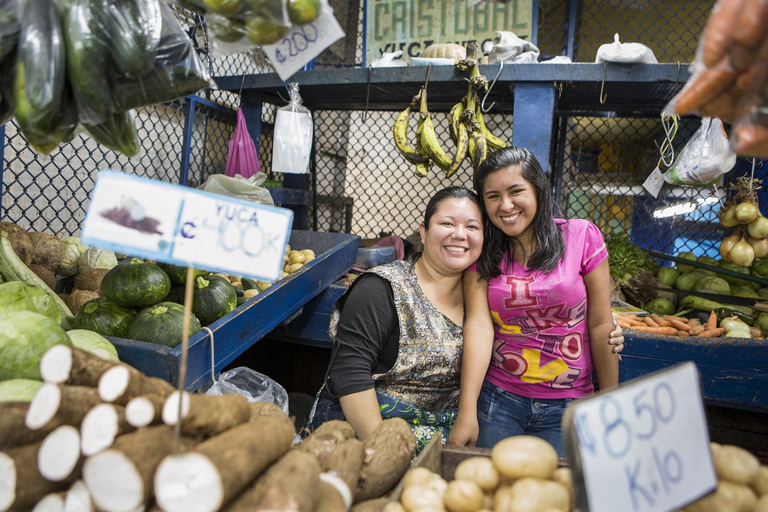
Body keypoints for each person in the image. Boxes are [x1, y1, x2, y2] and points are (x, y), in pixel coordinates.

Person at [448, 147, 621, 457]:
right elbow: (478, 327)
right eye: (493, 196)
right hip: (498, 402)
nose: (506, 205)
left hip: (569, 407)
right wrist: (467, 411)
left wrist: (610, 406)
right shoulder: (485, 250)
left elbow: (600, 324)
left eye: (516, 192)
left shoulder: (581, 236)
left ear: (538, 189)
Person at [309, 186, 485, 450]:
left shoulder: (481, 298)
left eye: (472, 227)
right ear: (423, 232)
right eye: (447, 223)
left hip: (444, 435)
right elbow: (350, 373)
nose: (459, 235)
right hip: (366, 430)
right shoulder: (382, 287)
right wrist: (383, 451)